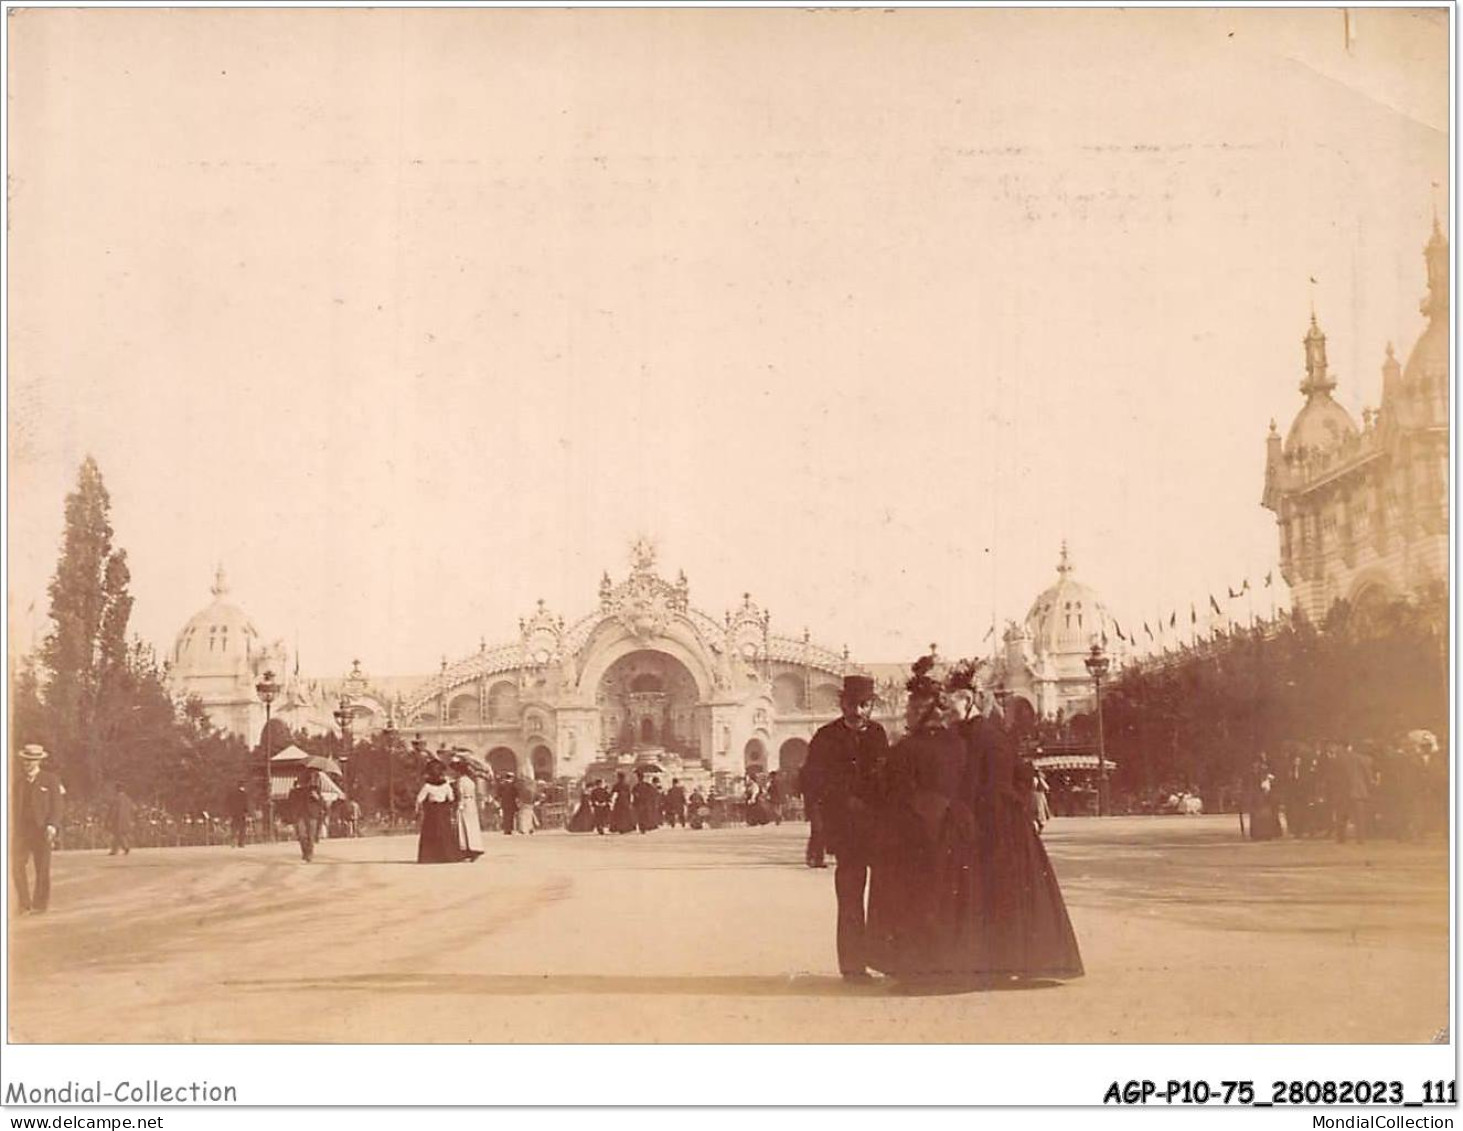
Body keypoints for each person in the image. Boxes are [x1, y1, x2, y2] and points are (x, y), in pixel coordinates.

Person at [955, 684, 1083, 984]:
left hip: (991, 819)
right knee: (1018, 887)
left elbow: (972, 782)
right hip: (1010, 819)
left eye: (952, 706)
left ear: (969, 702)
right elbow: (1019, 773)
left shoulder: (975, 735)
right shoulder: (995, 734)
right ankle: (1027, 958)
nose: (948, 714)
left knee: (996, 888)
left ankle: (1001, 960)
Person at [802, 673, 889, 981]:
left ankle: (886, 959)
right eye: (853, 704)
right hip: (846, 830)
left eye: (865, 705)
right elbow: (812, 782)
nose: (858, 711)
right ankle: (853, 965)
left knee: (884, 894)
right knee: (850, 896)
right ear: (842, 703)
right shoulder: (825, 737)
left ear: (872, 706)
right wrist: (826, 818)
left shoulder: (878, 733)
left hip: (876, 827)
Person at [12, 745, 63, 914]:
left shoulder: (50, 780)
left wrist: (52, 825)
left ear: (39, 761)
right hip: (21, 831)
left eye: (32, 760)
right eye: (26, 760)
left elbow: (57, 805)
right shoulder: (17, 782)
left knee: (42, 868)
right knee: (16, 866)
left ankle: (40, 904)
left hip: (42, 830)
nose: (28, 763)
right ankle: (24, 903)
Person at [415, 759, 460, 863]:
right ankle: (447, 856)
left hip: (432, 811)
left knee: (431, 833)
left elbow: (419, 799)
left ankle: (430, 857)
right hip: (443, 810)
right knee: (445, 833)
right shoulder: (446, 785)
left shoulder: (427, 786)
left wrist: (418, 809)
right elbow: (451, 798)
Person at [1332, 744, 1374, 844]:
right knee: (1359, 817)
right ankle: (1360, 838)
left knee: (1341, 815)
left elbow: (1334, 776)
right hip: (1358, 790)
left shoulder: (1338, 759)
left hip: (1343, 791)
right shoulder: (1362, 759)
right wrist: (1369, 786)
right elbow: (1367, 775)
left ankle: (1341, 838)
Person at [286, 768, 326, 863]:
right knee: (302, 835)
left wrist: (317, 797)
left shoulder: (315, 790)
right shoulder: (294, 791)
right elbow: (290, 804)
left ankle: (309, 854)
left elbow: (322, 804)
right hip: (300, 815)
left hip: (312, 814)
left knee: (311, 836)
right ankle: (305, 852)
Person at [452, 758, 485, 861]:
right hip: (472, 803)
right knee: (472, 826)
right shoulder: (470, 781)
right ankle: (475, 847)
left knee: (463, 826)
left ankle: (465, 849)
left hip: (465, 803)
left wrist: (459, 805)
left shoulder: (461, 781)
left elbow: (460, 794)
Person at [106, 781, 135, 856]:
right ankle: (115, 850)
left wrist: (110, 819)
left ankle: (125, 847)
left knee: (118, 835)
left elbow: (113, 810)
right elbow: (133, 809)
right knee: (118, 835)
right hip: (126, 820)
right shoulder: (128, 799)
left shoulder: (116, 799)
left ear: (117, 789)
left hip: (118, 820)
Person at [631, 769, 658, 834]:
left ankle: (642, 827)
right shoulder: (647, 785)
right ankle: (644, 827)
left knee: (640, 816)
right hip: (646, 803)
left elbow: (634, 795)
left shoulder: (636, 786)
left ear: (638, 778)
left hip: (639, 803)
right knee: (645, 815)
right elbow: (652, 793)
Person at [226, 781, 250, 848]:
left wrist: (230, 812)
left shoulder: (232, 794)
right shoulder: (244, 794)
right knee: (242, 828)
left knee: (234, 828)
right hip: (241, 814)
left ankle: (233, 841)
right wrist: (246, 812)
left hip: (234, 813)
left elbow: (229, 803)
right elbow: (246, 804)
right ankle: (241, 843)